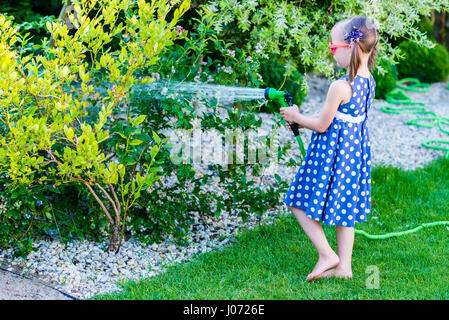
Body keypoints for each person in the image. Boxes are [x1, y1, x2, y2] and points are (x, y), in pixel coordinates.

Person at [279, 16, 378, 281]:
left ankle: (326, 254)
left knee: (297, 200)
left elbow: (323, 125)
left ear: (349, 47)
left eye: (333, 48)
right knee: (344, 213)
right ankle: (344, 268)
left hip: (331, 157)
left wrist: (296, 117)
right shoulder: (369, 82)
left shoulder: (340, 86)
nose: (331, 53)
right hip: (353, 158)